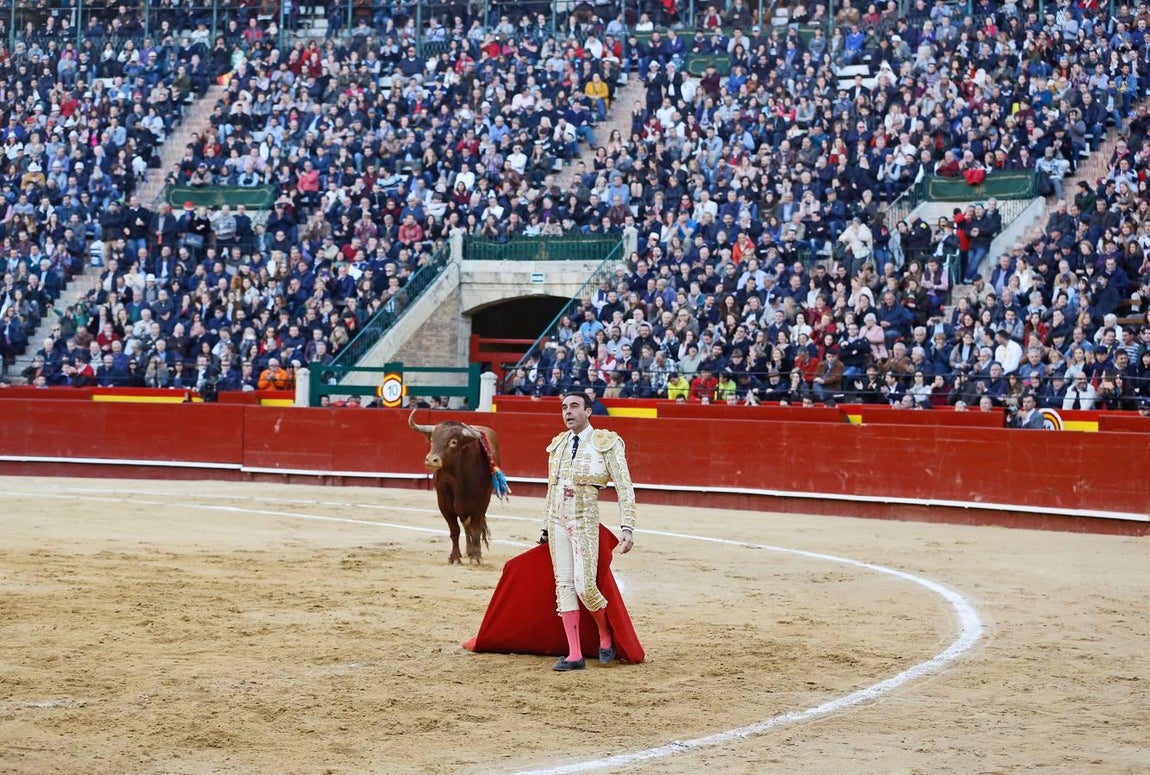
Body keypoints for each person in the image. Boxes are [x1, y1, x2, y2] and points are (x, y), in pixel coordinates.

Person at [539, 391, 636, 672]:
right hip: (557, 518)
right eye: (564, 407)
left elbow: (624, 486)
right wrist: (544, 527)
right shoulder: (558, 443)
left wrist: (627, 526)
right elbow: (552, 488)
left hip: (584, 518)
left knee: (584, 586)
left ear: (588, 411)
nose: (567, 412)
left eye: (574, 406)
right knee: (564, 585)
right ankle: (574, 654)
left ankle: (605, 633)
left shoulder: (606, 442)